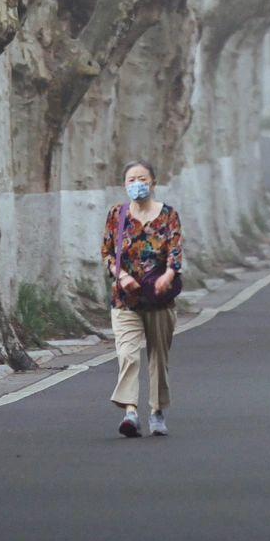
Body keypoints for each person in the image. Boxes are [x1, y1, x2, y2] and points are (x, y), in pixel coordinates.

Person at [101, 159, 182, 437]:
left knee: (158, 357)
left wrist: (168, 276)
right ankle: (131, 412)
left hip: (159, 299)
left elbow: (175, 252)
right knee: (127, 354)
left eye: (142, 179)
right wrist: (121, 276)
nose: (137, 184)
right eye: (131, 180)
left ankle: (157, 412)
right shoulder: (116, 215)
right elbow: (108, 253)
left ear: (153, 183)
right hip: (125, 299)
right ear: (125, 186)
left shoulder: (168, 215)